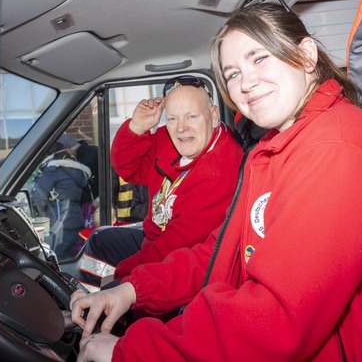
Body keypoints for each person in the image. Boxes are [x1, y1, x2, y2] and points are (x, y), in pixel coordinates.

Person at [69, 2, 362, 361]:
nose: (246, 83)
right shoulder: (275, 149)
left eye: (259, 58)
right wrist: (133, 290)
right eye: (232, 74)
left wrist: (131, 351)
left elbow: (277, 320)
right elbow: (221, 253)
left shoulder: (337, 147)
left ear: (307, 56)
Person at [77, 75, 243, 290]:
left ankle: (97, 314)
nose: (181, 128)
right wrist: (136, 127)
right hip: (154, 236)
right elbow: (129, 169)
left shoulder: (218, 172)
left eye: (191, 116)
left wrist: (121, 277)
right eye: (173, 118)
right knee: (100, 239)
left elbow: (174, 248)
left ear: (212, 116)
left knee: (113, 290)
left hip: (180, 260)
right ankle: (83, 300)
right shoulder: (169, 138)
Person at [32, 138, 91, 258]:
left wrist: (32, 212)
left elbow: (39, 197)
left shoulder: (52, 170)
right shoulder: (76, 170)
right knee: (70, 259)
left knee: (55, 260)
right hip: (76, 220)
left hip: (59, 224)